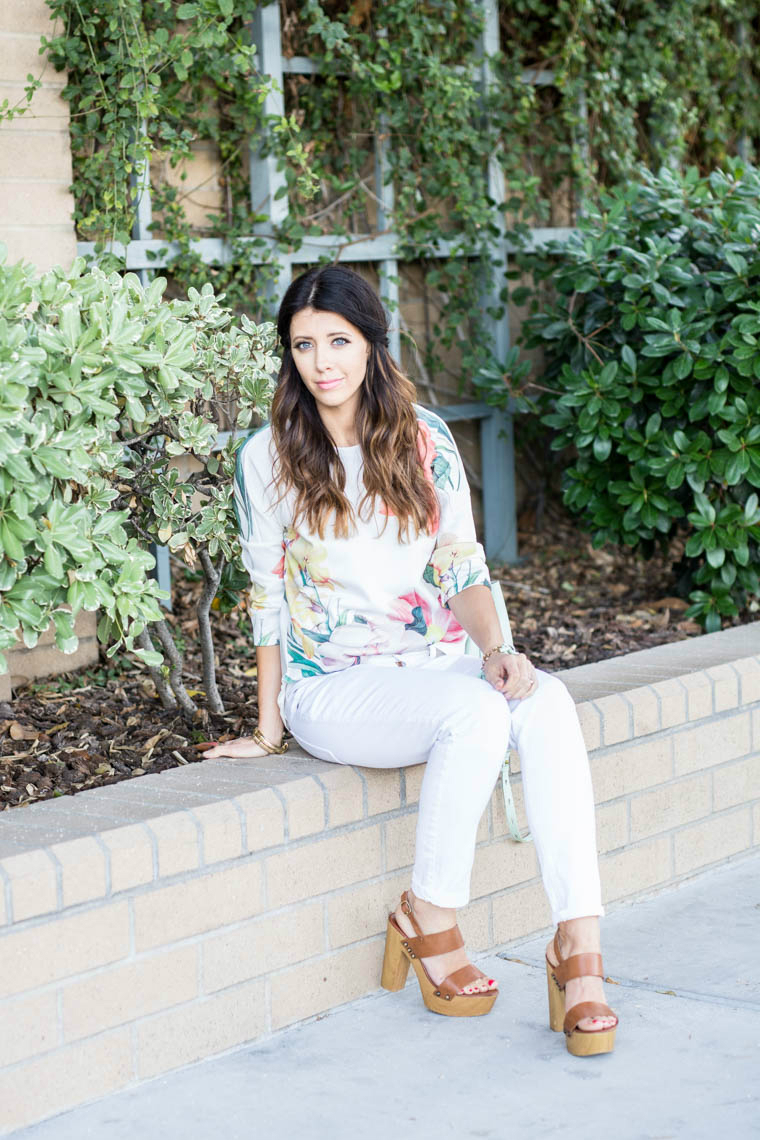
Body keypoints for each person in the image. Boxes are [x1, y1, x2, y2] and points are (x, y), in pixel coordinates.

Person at [200, 265, 618, 1055]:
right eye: (303, 346)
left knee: (546, 701)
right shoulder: (269, 456)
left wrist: (498, 650)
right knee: (475, 712)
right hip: (335, 688)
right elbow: (266, 598)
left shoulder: (424, 438)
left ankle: (578, 945)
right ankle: (430, 913)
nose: (322, 362)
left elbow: (462, 564)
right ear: (287, 357)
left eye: (338, 342)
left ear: (370, 345)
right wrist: (266, 728)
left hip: (436, 665)